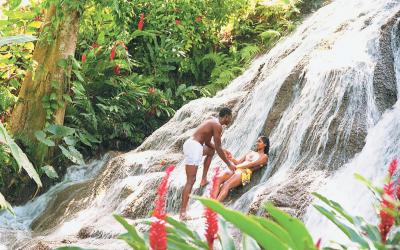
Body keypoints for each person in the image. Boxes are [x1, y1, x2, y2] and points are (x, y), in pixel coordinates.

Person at [180, 107, 236, 220]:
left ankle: (204, 178)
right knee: (190, 180)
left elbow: (208, 143)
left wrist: (223, 150)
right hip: (194, 146)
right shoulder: (218, 126)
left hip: (194, 145)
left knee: (211, 151)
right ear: (226, 116)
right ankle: (183, 213)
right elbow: (218, 147)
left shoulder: (212, 121)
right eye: (231, 117)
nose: (231, 120)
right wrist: (229, 163)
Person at [212, 136, 270, 202]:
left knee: (226, 184)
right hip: (238, 169)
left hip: (246, 174)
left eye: (259, 141)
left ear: (265, 144)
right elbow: (238, 162)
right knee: (218, 178)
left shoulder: (264, 156)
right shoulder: (250, 152)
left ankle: (214, 207)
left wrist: (236, 167)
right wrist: (231, 158)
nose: (257, 143)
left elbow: (252, 164)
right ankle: (211, 202)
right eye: (257, 141)